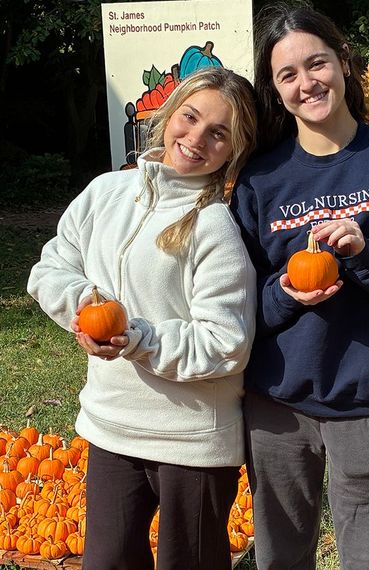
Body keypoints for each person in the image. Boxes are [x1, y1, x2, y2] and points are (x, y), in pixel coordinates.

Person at [230, 4, 369, 569]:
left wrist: (367, 252)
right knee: (280, 559)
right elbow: (233, 301)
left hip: (364, 401)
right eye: (288, 75)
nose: (307, 83)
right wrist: (285, 292)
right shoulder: (261, 177)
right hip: (276, 406)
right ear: (276, 89)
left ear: (344, 62)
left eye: (317, 64)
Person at [27, 67, 257, 570]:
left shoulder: (214, 226)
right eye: (190, 117)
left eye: (218, 133)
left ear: (233, 150)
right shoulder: (105, 193)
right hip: (112, 427)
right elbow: (50, 267)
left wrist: (134, 336)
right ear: (169, 113)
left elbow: (226, 341)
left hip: (192, 441)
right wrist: (87, 307)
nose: (196, 138)